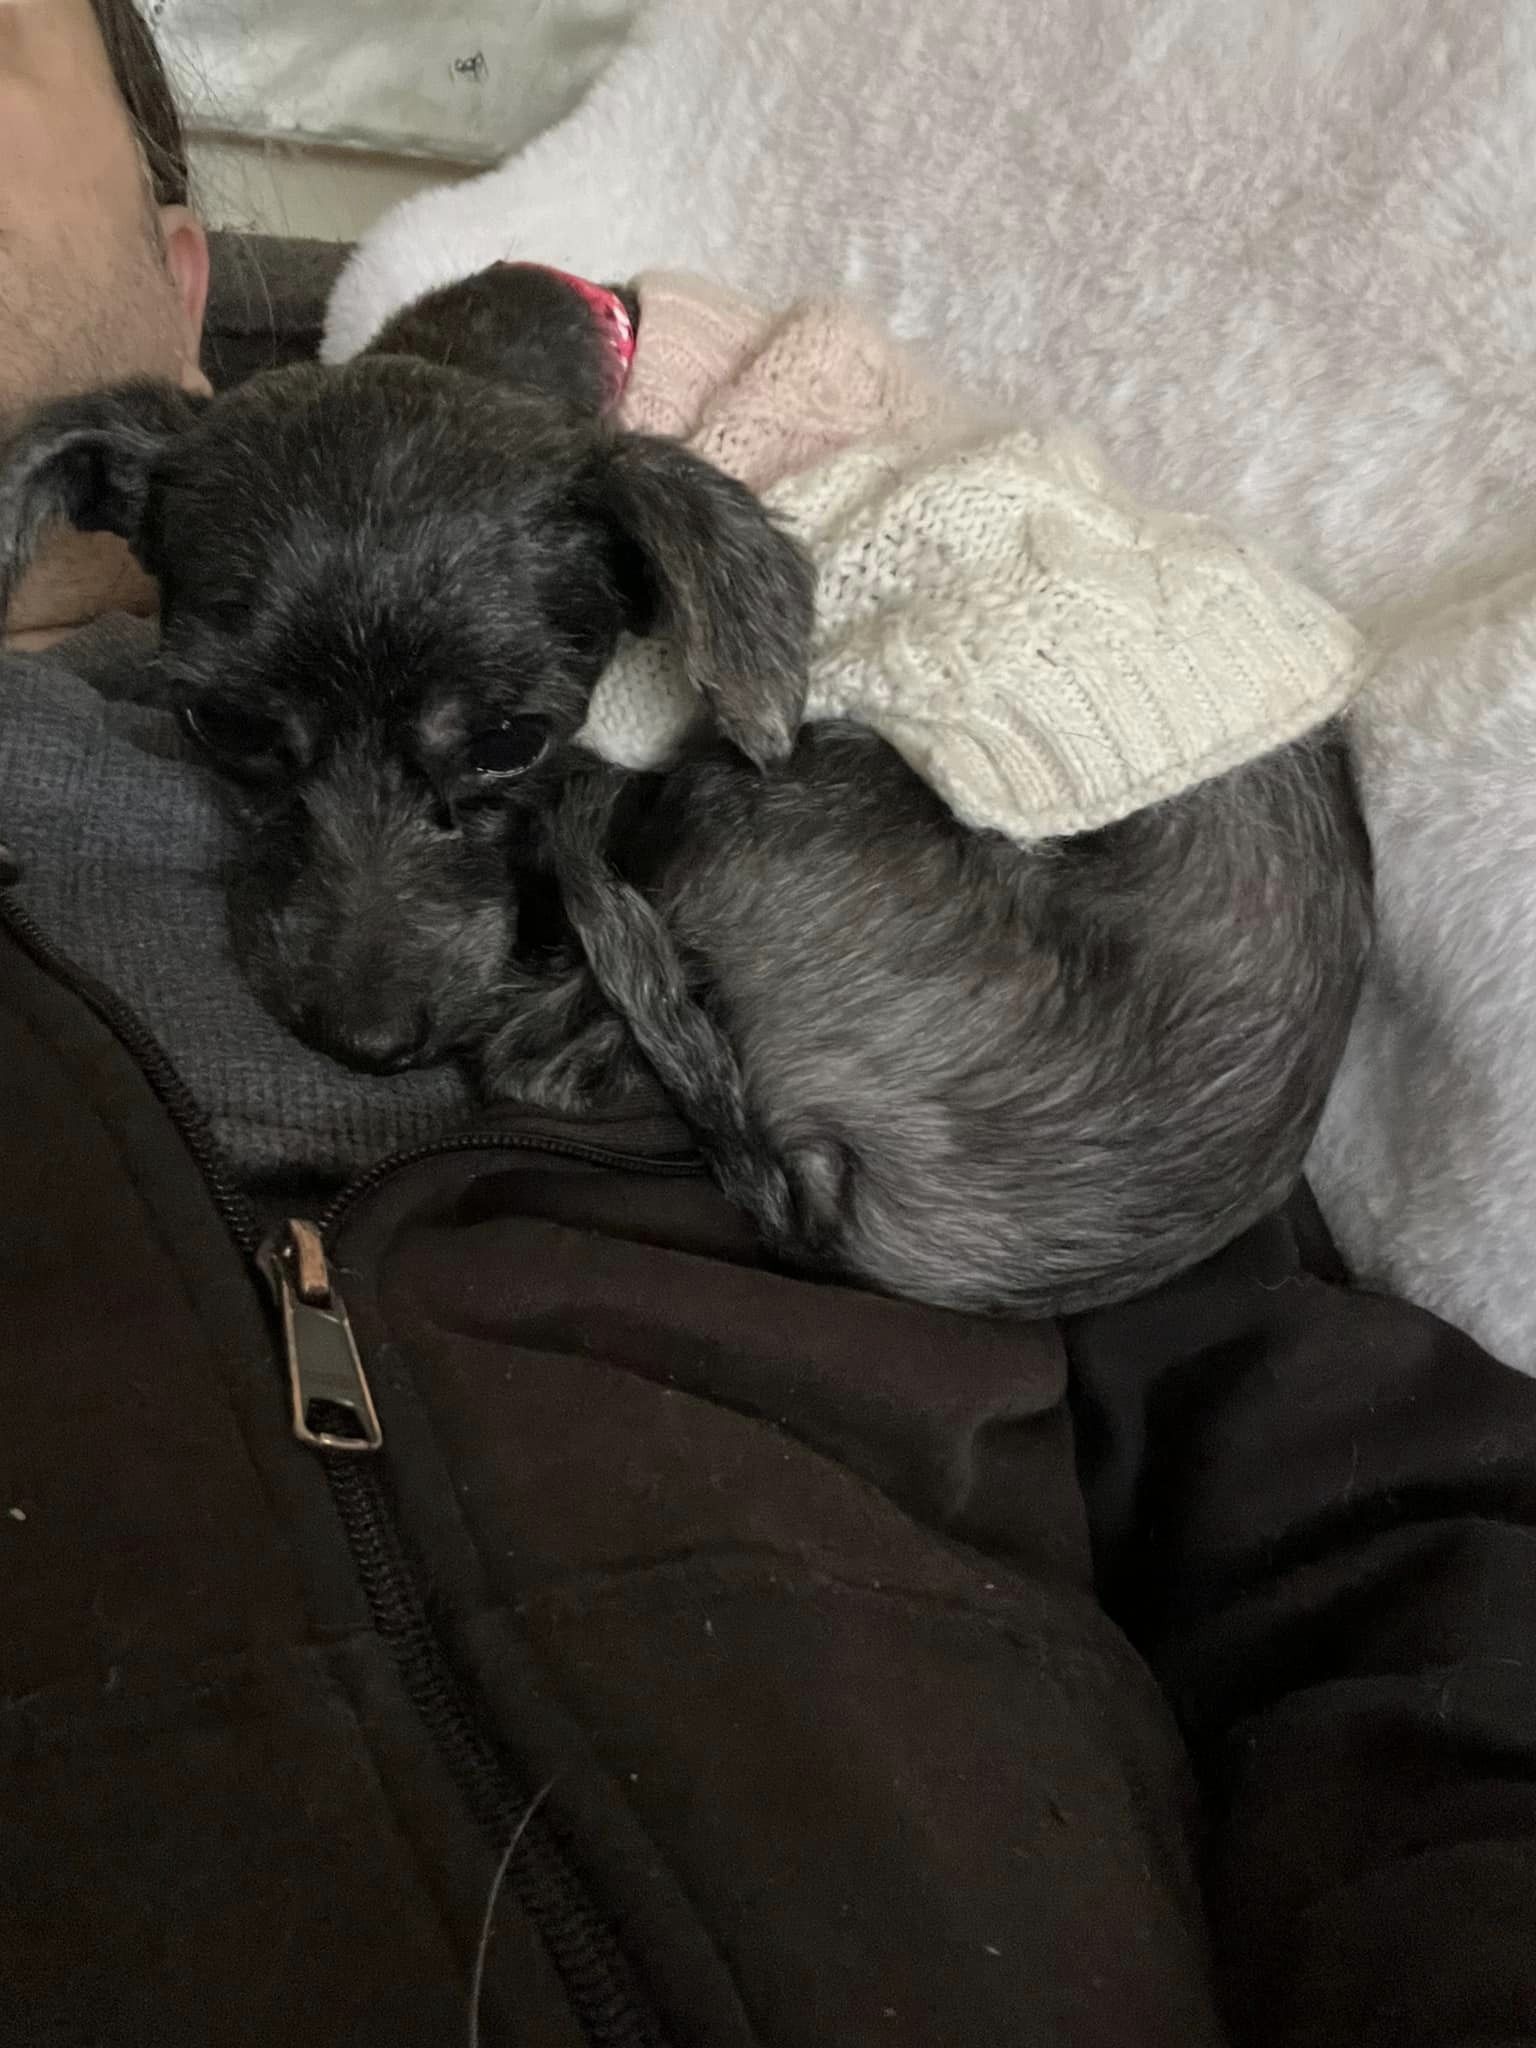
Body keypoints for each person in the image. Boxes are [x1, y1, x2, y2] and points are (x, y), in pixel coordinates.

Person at [2, 5, 1535, 2044]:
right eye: (249, 742)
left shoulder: (588, 566)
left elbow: (1380, 1527)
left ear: (183, 271)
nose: (368, 949)